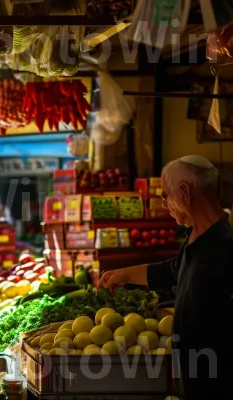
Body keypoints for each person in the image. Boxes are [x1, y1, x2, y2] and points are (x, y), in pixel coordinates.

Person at [98, 155, 233, 400]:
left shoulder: (225, 245)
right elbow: (172, 270)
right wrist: (123, 274)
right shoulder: (195, 239)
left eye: (166, 195)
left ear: (184, 193)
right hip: (193, 379)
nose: (164, 203)